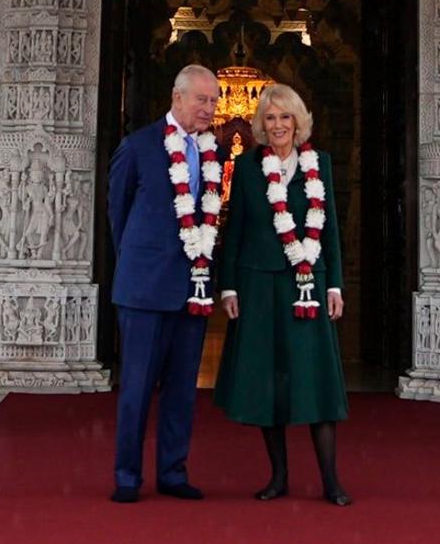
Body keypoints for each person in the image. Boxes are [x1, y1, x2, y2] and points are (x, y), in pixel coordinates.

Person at [214, 82, 351, 505]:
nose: (277, 125)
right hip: (258, 284)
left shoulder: (319, 164)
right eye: (270, 118)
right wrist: (229, 286)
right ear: (261, 124)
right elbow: (234, 227)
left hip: (307, 283)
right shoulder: (249, 168)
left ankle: (331, 481)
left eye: (285, 117)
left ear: (298, 122)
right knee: (268, 382)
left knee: (315, 379)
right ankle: (279, 478)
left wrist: (335, 284)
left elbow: (328, 229)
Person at [101, 63, 223, 503]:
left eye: (213, 100)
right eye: (201, 99)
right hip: (145, 289)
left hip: (192, 287)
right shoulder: (138, 147)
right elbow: (118, 215)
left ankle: (173, 471)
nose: (208, 108)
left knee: (181, 389)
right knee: (136, 386)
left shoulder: (214, 152)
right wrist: (139, 265)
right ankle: (127, 476)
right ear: (177, 97)